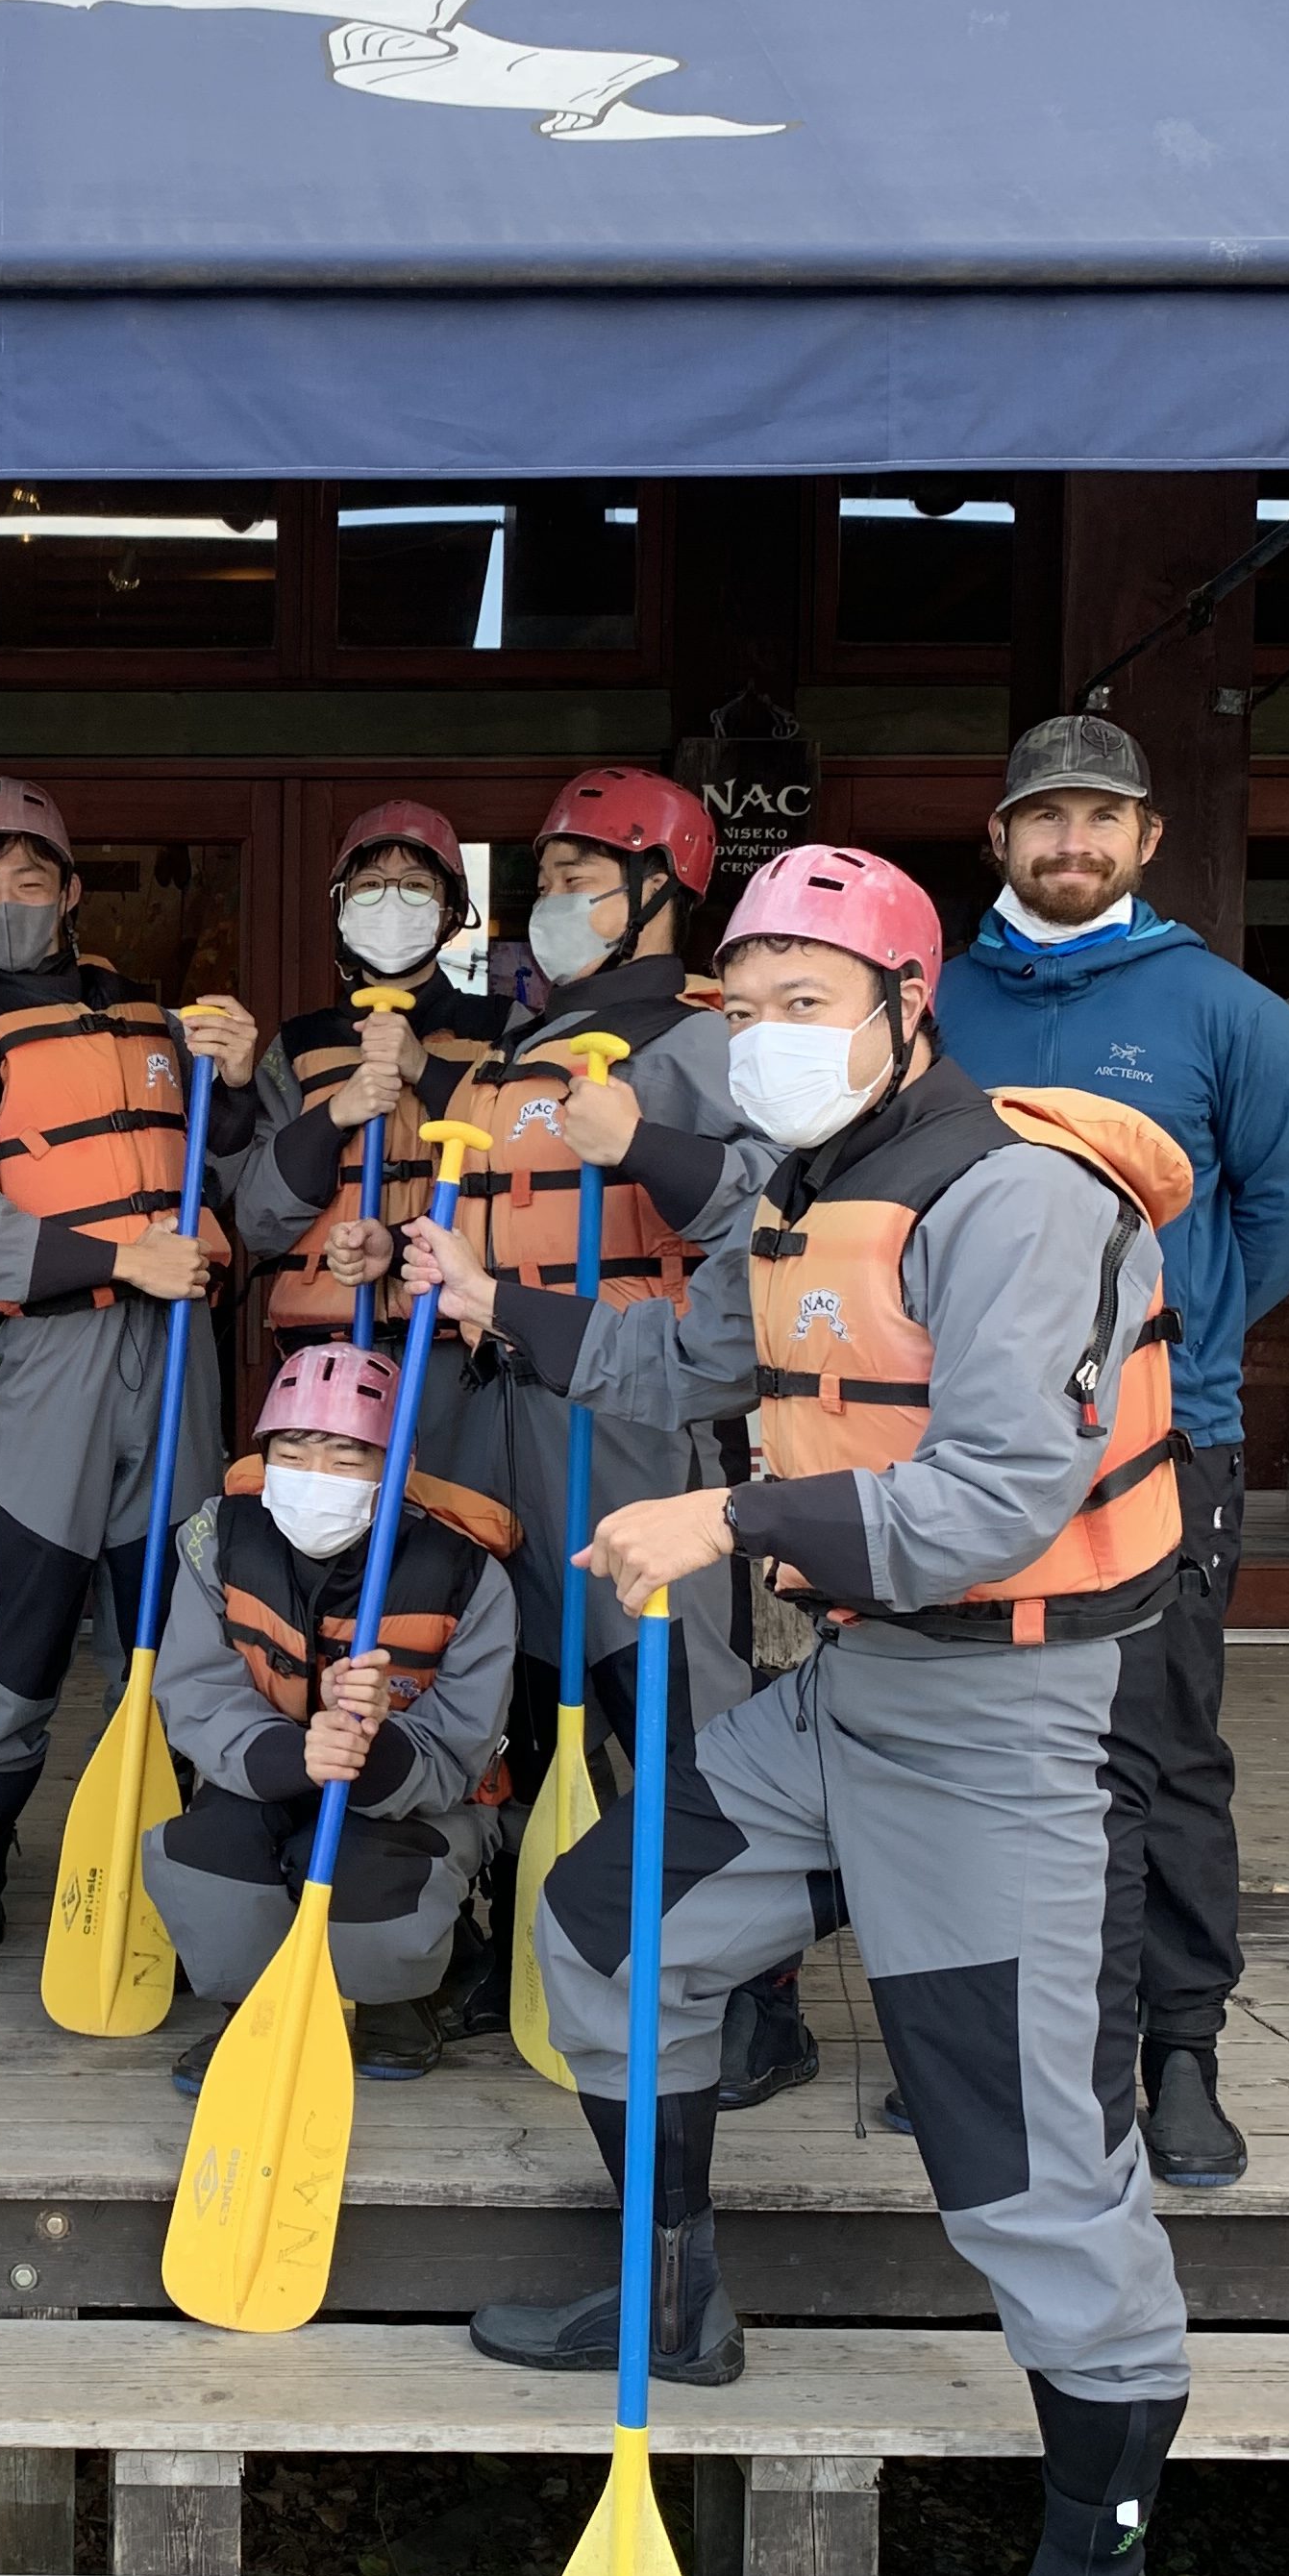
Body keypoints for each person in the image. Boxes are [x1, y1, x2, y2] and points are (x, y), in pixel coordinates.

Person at [406, 842, 1195, 2576]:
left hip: (1005, 1730)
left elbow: (990, 1499)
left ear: (907, 1010)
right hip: (846, 1696)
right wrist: (491, 1304)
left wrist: (729, 1518)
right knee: (606, 1933)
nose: (766, 1038)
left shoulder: (1022, 1200)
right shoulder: (793, 1190)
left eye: (806, 1003)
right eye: (744, 1007)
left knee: (1022, 2160)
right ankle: (671, 2294)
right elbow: (679, 1358)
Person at [937, 713, 1289, 2191]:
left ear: (1148, 839)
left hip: (1170, 1443)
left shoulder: (1227, 1011)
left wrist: (1176, 1346)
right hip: (964, 1450)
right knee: (972, 1740)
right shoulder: (932, 1006)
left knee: (1160, 1743)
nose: (1074, 843)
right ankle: (986, 2037)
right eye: (1046, 817)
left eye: (1102, 817)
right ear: (1001, 837)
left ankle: (1178, 2048)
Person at [350, 768, 785, 2091]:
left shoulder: (705, 1043)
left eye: (582, 879)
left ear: (659, 893)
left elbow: (779, 1209)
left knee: (671, 1708)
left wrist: (646, 1142)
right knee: (523, 1697)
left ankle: (753, 1994)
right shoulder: (515, 1050)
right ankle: (521, 1944)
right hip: (497, 1402)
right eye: (545, 880)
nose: (553, 901)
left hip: (639, 1412)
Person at [0, 778, 260, 1974]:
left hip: (178, 1360)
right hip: (54, 1356)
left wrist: (240, 1083)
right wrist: (121, 1258)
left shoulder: (154, 1020)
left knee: (176, 1630)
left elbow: (235, 1178)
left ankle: (169, 1874)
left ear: (68, 892)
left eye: (28, 879)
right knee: (21, 1628)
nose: (5, 901)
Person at [143, 1343, 517, 2093]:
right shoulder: (219, 1541)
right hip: (264, 1775)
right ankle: (252, 2010)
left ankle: (394, 2003)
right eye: (292, 1453)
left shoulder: (466, 1572)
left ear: (398, 1467)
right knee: (206, 1850)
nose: (315, 1476)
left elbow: (462, 1743)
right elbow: (195, 1690)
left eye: (347, 1459)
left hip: (409, 1802)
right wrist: (296, 1756)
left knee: (370, 1868)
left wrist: (371, 1741)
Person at [234, 797, 501, 1352]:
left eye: (416, 886)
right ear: (342, 907)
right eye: (370, 885)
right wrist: (336, 1113)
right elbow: (259, 1223)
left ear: (452, 913)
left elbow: (523, 1170)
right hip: (326, 1346)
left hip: (458, 1343)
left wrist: (423, 1068)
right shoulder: (299, 1043)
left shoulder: (505, 1028)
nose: (391, 901)